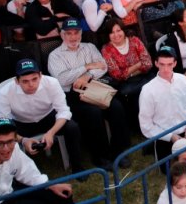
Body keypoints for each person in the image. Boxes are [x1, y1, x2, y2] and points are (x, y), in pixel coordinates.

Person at [47, 18, 131, 170]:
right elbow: (62, 79)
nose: (73, 37)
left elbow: (103, 66)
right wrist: (87, 66)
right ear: (62, 35)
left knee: (116, 106)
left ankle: (119, 151)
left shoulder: (89, 47)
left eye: (76, 33)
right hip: (72, 95)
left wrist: (88, 75)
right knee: (93, 113)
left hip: (93, 87)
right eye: (69, 34)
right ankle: (101, 157)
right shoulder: (55, 55)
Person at [0, 58, 85, 174]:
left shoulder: (52, 82)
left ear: (40, 76)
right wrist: (23, 140)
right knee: (3, 137)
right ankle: (15, 177)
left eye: (34, 79)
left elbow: (64, 111)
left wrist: (51, 132)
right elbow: (3, 124)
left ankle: (78, 168)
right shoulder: (5, 92)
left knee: (72, 127)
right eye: (25, 81)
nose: (31, 84)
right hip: (21, 123)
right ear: (17, 81)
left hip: (48, 117)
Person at [0, 118, 73, 204]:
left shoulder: (14, 149)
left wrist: (50, 185)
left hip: (11, 192)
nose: (6, 149)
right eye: (0, 143)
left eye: (10, 141)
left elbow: (28, 173)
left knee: (62, 194)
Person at [139, 47, 186, 168]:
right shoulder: (148, 90)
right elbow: (146, 124)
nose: (166, 69)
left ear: (175, 63)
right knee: (171, 173)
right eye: (162, 64)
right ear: (156, 63)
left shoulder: (183, 80)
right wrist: (170, 136)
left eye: (169, 64)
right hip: (164, 139)